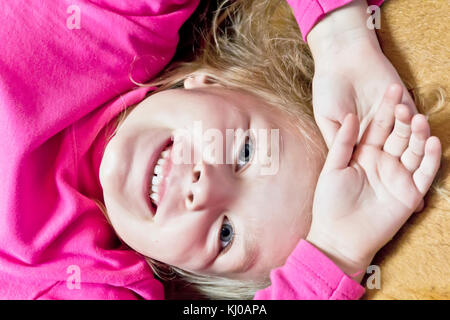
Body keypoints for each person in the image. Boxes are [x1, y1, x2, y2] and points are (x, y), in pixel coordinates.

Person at [0, 0, 440, 300]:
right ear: (211, 82)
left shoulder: (78, 281)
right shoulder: (120, 21)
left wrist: (337, 251)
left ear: (173, 269)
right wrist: (341, 41)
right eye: (246, 151)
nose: (204, 189)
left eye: (225, 235)